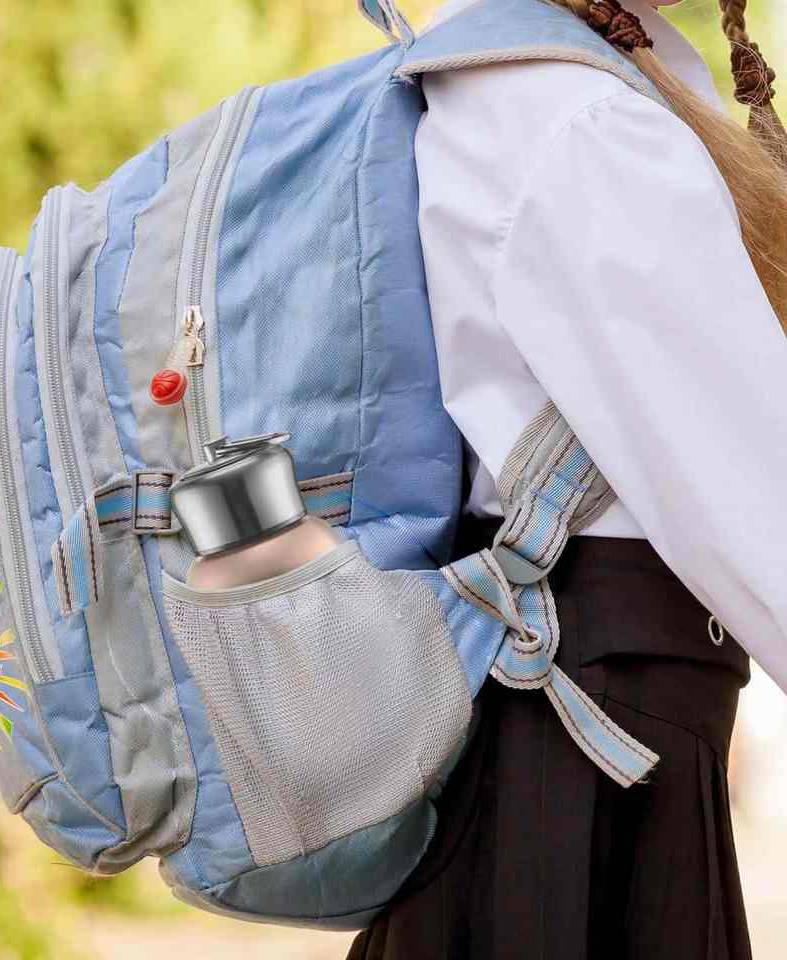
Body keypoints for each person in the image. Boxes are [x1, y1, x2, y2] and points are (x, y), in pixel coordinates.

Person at [347, 0, 787, 957]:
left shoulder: (498, 79)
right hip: (585, 761)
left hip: (543, 739)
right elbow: (766, 514)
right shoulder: (586, 124)